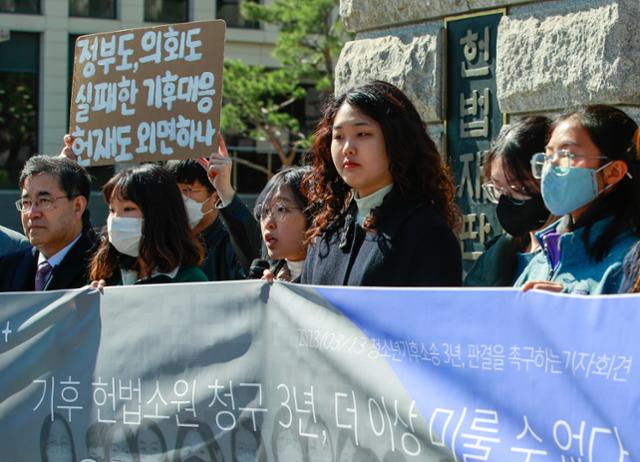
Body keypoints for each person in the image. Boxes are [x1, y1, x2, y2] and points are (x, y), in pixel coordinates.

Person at [301, 80, 461, 286]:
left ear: (397, 140)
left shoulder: (425, 233)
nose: (347, 148)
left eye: (362, 134)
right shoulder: (326, 234)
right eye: (338, 136)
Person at [515, 105, 640, 294]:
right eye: (548, 156)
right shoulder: (544, 256)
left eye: (567, 155)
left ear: (613, 172)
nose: (551, 167)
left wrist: (572, 309)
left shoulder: (629, 261)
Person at [465, 116, 552, 286]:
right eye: (498, 188)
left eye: (521, 189)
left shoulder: (573, 255)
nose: (507, 199)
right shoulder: (495, 257)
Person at [89, 164, 207, 286]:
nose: (116, 219)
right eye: (112, 210)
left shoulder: (189, 280)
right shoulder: (111, 277)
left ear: (159, 215)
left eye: (128, 209)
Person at [166, 135, 261, 281]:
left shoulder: (231, 246)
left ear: (215, 197)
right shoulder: (164, 243)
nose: (178, 199)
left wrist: (226, 191)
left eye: (187, 190)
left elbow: (254, 257)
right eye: (173, 191)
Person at [0, 155, 97, 292]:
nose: (32, 213)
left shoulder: (105, 269)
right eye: (26, 203)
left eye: (44, 201)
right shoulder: (7, 270)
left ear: (77, 206)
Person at [254, 166, 313, 282]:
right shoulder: (269, 278)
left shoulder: (331, 282)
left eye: (281, 209)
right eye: (265, 211)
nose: (268, 223)